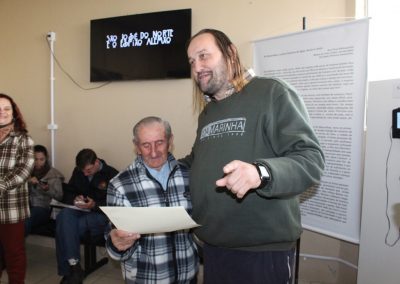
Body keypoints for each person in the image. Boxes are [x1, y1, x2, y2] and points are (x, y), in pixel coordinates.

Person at [181, 29, 325, 283]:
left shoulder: (272, 93)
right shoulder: (208, 112)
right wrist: (162, 164)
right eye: (192, 61)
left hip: (261, 251)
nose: (197, 67)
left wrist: (260, 172)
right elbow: (198, 160)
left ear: (231, 53)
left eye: (204, 56)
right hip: (213, 245)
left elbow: (310, 159)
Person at [105, 116, 199, 283]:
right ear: (137, 147)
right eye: (146, 145)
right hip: (146, 278)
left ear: (170, 140)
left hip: (188, 275)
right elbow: (115, 243)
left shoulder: (188, 175)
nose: (154, 152)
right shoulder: (120, 185)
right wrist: (117, 244)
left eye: (160, 142)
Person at [55, 148, 118, 284]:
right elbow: (69, 192)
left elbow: (116, 203)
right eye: (82, 171)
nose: (85, 173)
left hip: (101, 215)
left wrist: (94, 205)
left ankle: (71, 270)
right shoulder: (79, 171)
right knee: (63, 216)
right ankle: (74, 267)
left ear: (96, 162)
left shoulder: (112, 174)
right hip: (80, 210)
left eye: (88, 171)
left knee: (66, 226)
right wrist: (74, 199)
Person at [0, 93, 34, 284]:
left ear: (14, 112)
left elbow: (24, 170)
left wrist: (1, 185)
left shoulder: (23, 139)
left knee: (14, 255)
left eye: (6, 109)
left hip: (11, 208)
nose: (2, 113)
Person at [24, 144, 64, 236]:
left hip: (41, 209)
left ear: (46, 159)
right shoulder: (26, 172)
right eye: (35, 159)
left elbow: (59, 196)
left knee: (25, 220)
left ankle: (14, 247)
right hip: (25, 206)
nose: (38, 162)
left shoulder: (53, 174)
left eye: (41, 159)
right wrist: (26, 182)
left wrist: (46, 189)